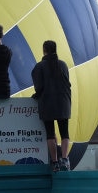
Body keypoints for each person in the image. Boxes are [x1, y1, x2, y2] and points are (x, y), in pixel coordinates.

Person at [31, 39, 72, 171]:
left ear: (44, 50)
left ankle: (54, 162)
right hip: (63, 102)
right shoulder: (63, 65)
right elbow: (67, 84)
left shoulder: (39, 67)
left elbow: (39, 88)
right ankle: (65, 159)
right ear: (55, 49)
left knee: (50, 133)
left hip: (47, 103)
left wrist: (35, 96)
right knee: (64, 133)